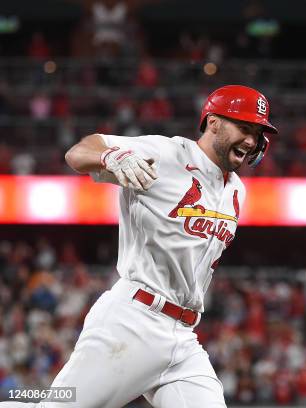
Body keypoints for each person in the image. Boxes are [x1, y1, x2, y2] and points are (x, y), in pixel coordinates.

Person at [0, 85, 277, 408]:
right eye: (244, 128)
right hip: (133, 321)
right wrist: (109, 157)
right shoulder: (167, 154)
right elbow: (78, 153)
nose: (251, 140)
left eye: (257, 133)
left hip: (183, 336)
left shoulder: (236, 190)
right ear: (213, 122)